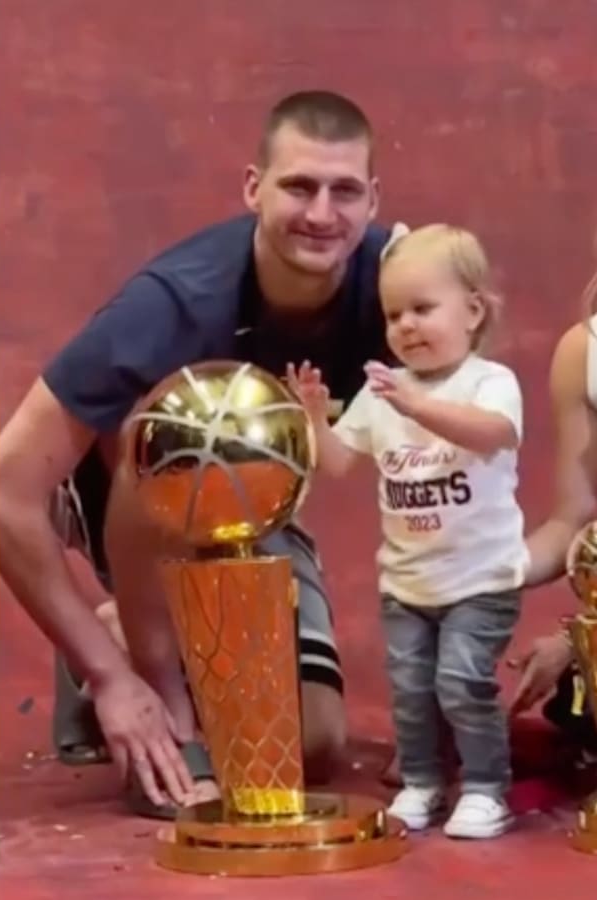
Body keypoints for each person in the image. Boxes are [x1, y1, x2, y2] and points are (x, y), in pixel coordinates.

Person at [0, 89, 394, 816]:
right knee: (170, 434)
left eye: (344, 191)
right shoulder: (171, 305)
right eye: (298, 186)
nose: (321, 213)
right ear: (253, 187)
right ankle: (140, 667)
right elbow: (6, 489)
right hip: (135, 490)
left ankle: (136, 631)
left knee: (309, 746)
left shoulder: (403, 285)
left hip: (255, 491)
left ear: (373, 199)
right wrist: (120, 679)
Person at [289, 223, 524, 839]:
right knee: (413, 688)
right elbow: (337, 462)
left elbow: (492, 434)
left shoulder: (489, 383)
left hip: (480, 578)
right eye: (394, 315)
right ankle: (421, 781)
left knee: (461, 681)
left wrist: (415, 406)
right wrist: (315, 416)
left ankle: (484, 789)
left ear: (472, 311)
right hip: (407, 581)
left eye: (423, 309)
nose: (406, 327)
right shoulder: (382, 391)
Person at [508, 268, 597, 756]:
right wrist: (481, 573)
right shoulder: (584, 351)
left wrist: (571, 643)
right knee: (578, 696)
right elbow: (574, 519)